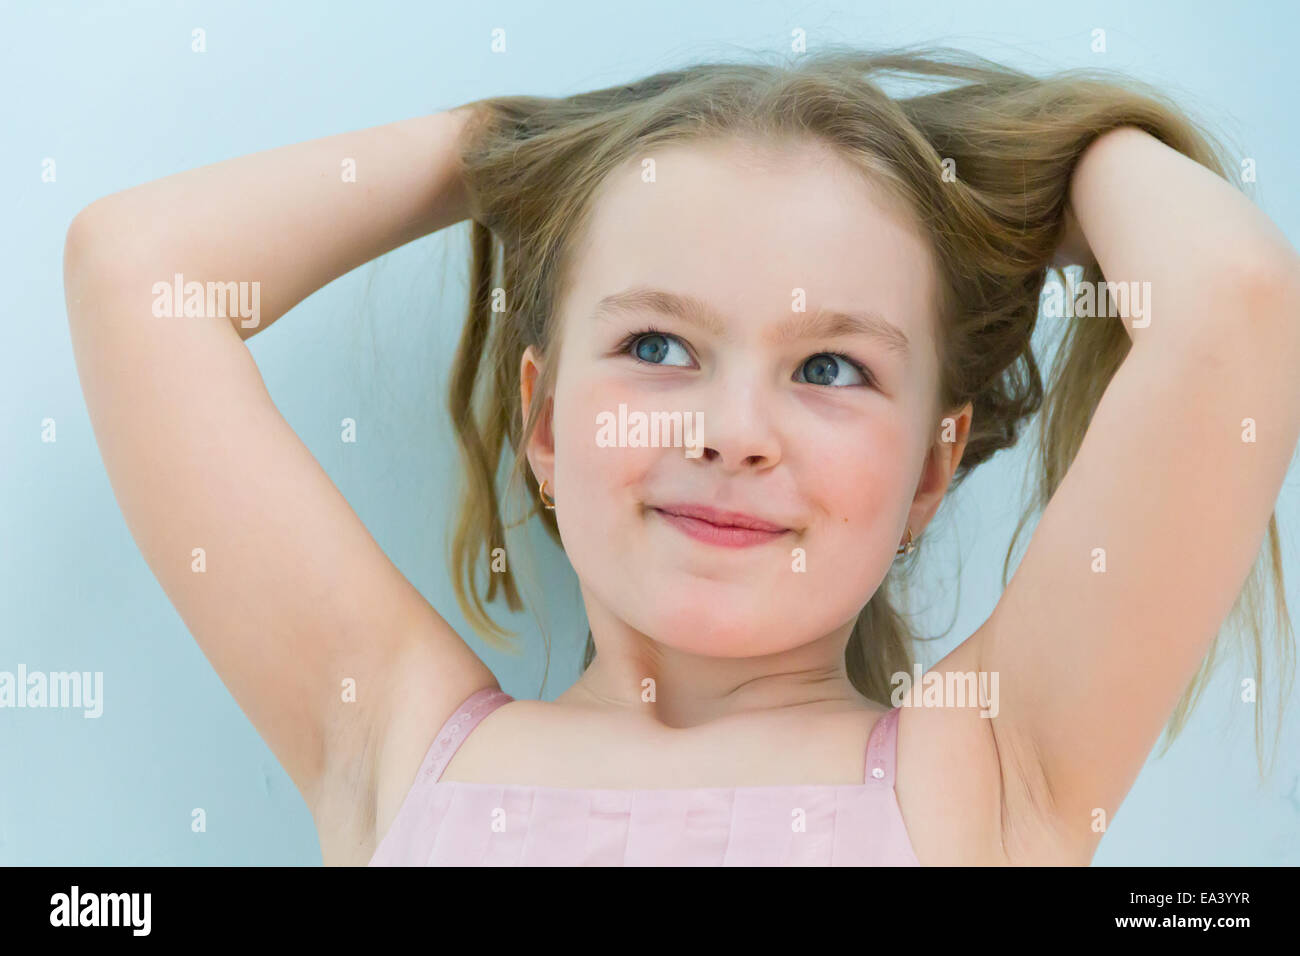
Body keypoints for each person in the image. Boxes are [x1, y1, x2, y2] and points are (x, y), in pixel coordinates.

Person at [63, 46, 1300, 866]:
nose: (730, 430)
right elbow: (139, 275)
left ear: (931, 469)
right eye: (657, 343)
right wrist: (509, 146)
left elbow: (1236, 303)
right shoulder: (394, 737)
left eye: (830, 369)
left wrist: (1046, 149)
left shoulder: (987, 769)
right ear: (545, 421)